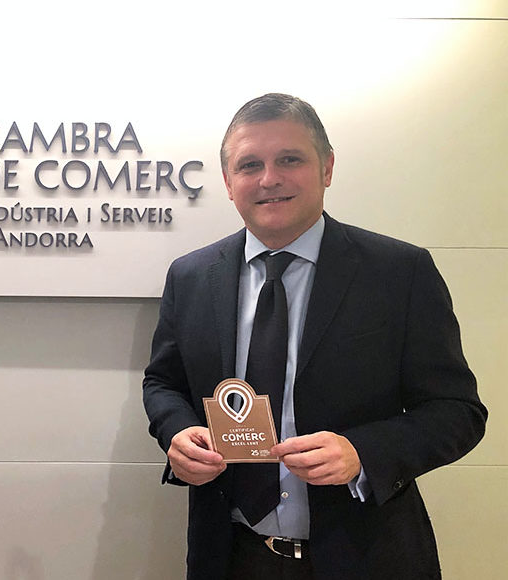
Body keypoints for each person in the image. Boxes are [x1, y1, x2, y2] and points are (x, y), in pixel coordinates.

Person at [142, 93, 486, 580]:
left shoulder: (400, 272)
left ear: (327, 167)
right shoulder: (191, 276)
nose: (269, 178)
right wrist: (177, 433)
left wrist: (363, 453)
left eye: (290, 159)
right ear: (228, 182)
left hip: (366, 558)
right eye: (250, 165)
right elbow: (163, 383)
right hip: (230, 556)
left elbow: (458, 412)